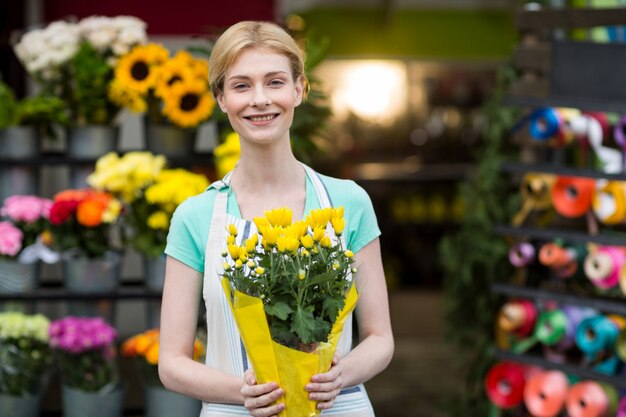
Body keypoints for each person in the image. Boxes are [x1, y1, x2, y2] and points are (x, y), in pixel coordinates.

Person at [159, 21, 394, 417]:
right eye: (241, 85)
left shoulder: (348, 202)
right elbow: (172, 364)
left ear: (299, 90)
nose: (260, 99)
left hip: (337, 407)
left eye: (275, 82)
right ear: (221, 99)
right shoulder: (195, 217)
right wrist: (242, 392)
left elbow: (380, 338)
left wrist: (340, 373)